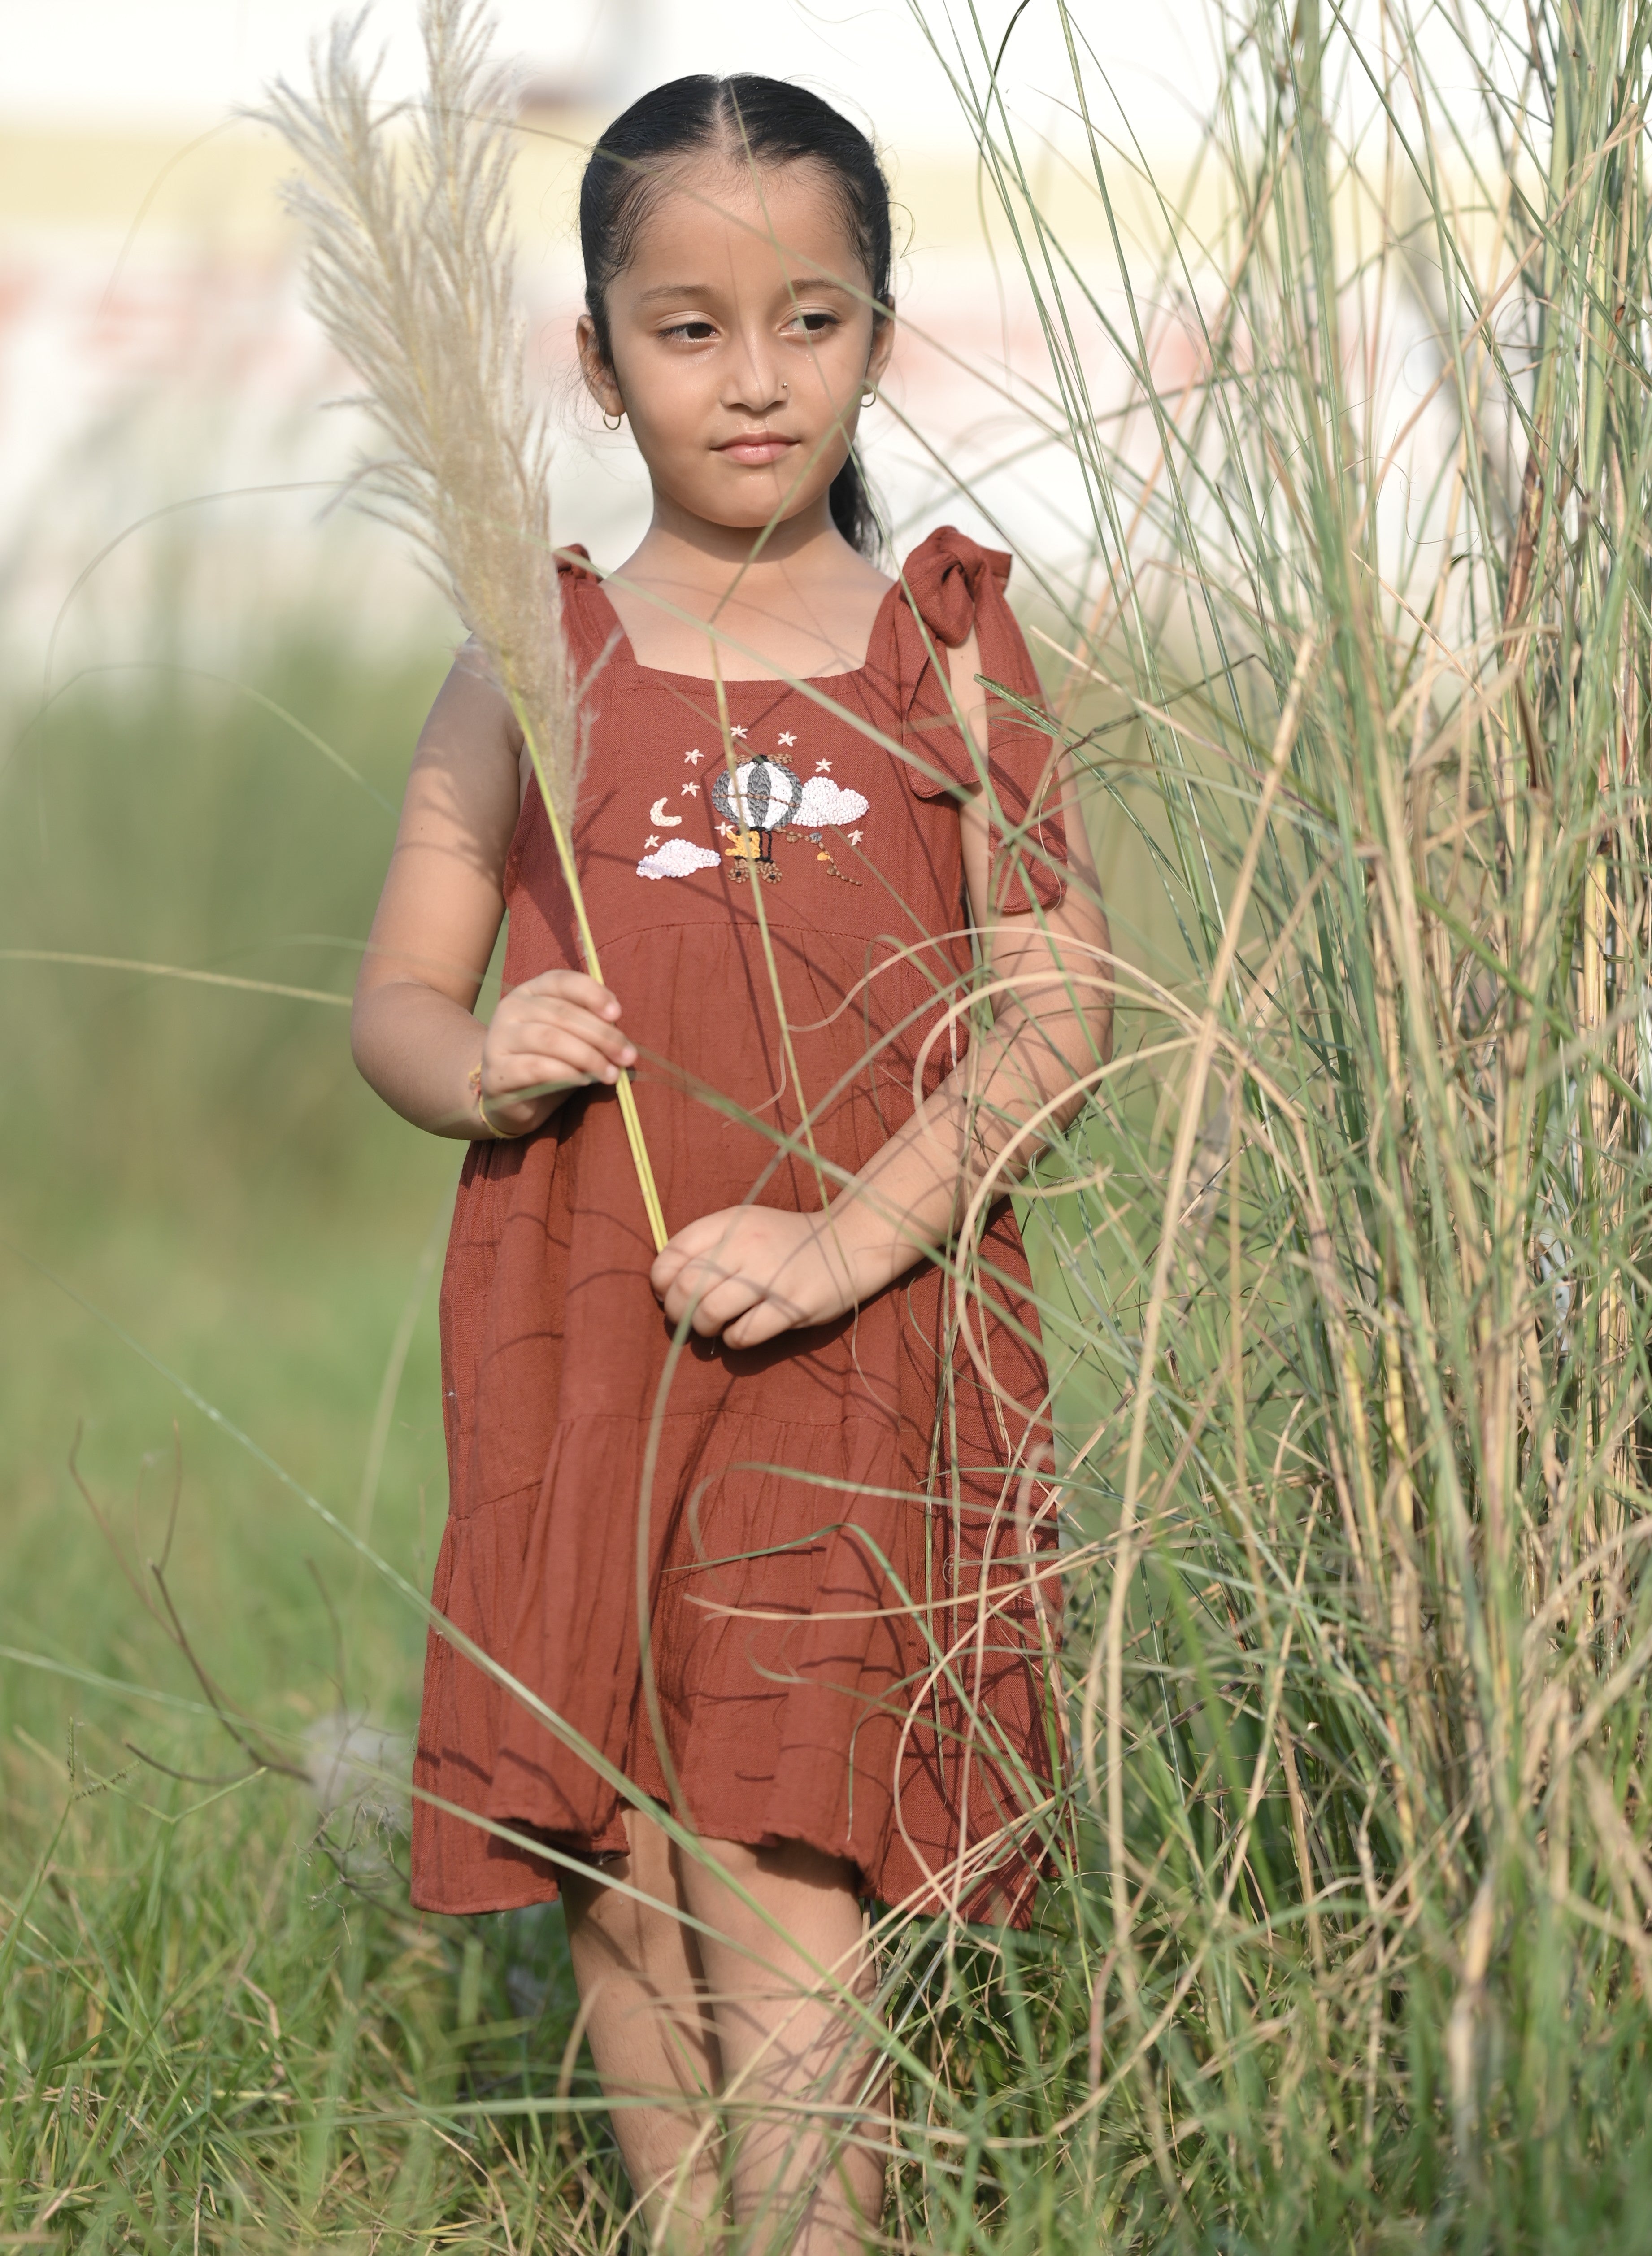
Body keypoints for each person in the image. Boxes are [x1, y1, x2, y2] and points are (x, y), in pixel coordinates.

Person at [350, 71, 1110, 2256]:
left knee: (776, 1854)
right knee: (607, 1859)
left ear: (879, 334)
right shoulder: (532, 666)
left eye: (808, 319)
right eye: (686, 327)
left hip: (850, 1342)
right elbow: (395, 1003)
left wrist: (851, 1229)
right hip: (587, 1329)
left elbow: (1063, 1005)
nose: (753, 374)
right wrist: (479, 1058)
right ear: (595, 359)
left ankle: (822, 2235)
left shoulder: (946, 645)